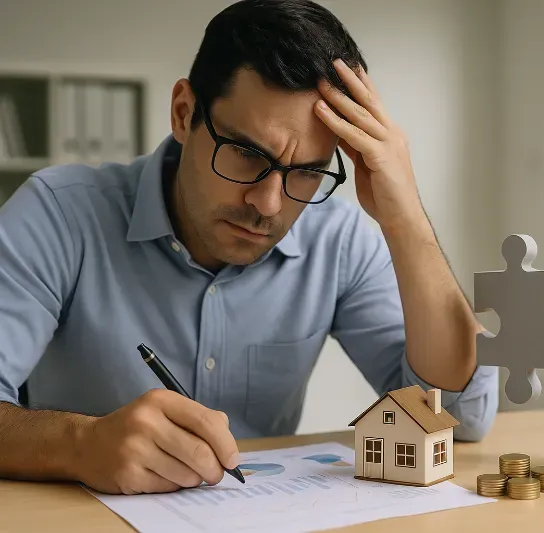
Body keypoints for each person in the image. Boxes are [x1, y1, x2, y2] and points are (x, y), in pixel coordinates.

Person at [0, 0, 498, 495]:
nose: (268, 203)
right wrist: (80, 444)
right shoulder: (58, 215)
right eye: (245, 153)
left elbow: (458, 416)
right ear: (183, 113)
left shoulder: (340, 240)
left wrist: (406, 218)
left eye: (306, 171)